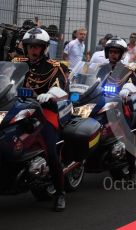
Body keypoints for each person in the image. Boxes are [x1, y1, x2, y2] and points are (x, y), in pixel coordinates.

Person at [14, 28, 69, 211]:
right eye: (30, 46)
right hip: (18, 110)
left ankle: (60, 193)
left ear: (44, 48)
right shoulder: (16, 62)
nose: (33, 50)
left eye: (37, 46)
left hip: (44, 112)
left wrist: (50, 94)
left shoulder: (55, 66)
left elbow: (61, 88)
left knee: (50, 150)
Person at [99, 37, 136, 179]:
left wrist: (127, 89)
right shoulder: (100, 68)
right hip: (101, 104)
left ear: (121, 54)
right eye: (110, 52)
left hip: (121, 107)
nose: (113, 55)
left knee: (127, 135)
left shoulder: (128, 70)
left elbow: (133, 85)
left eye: (116, 52)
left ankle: (132, 171)